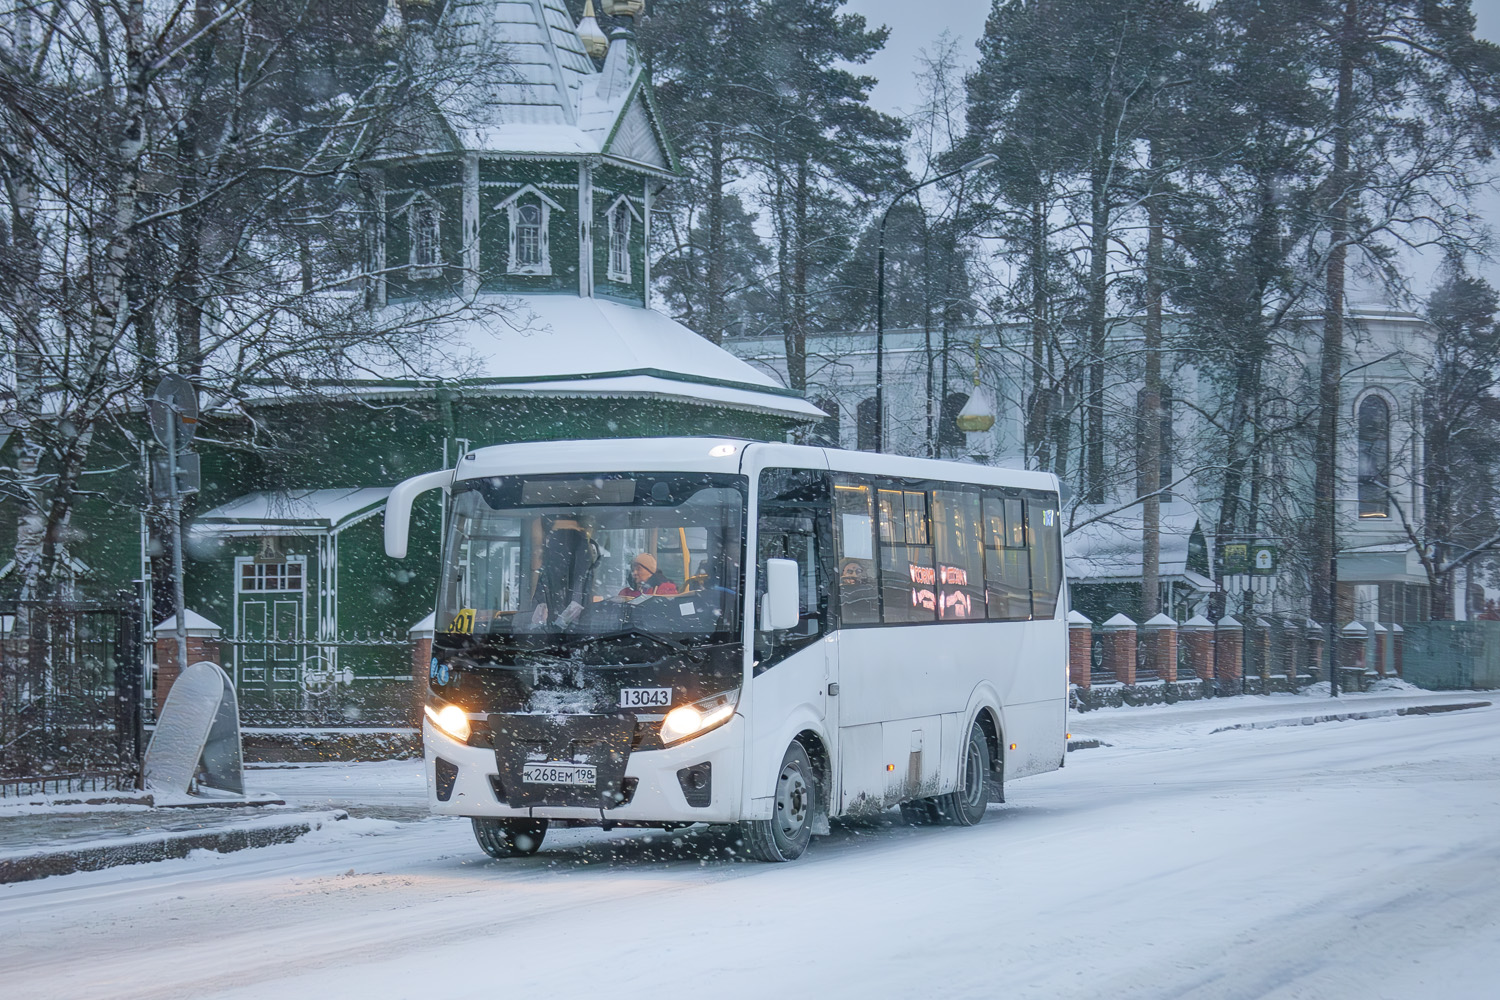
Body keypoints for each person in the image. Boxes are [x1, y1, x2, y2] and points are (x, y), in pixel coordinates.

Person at [529, 516, 596, 625]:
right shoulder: (544, 584)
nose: (566, 546)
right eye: (557, 535)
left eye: (576, 537)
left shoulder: (584, 584)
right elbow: (531, 625)